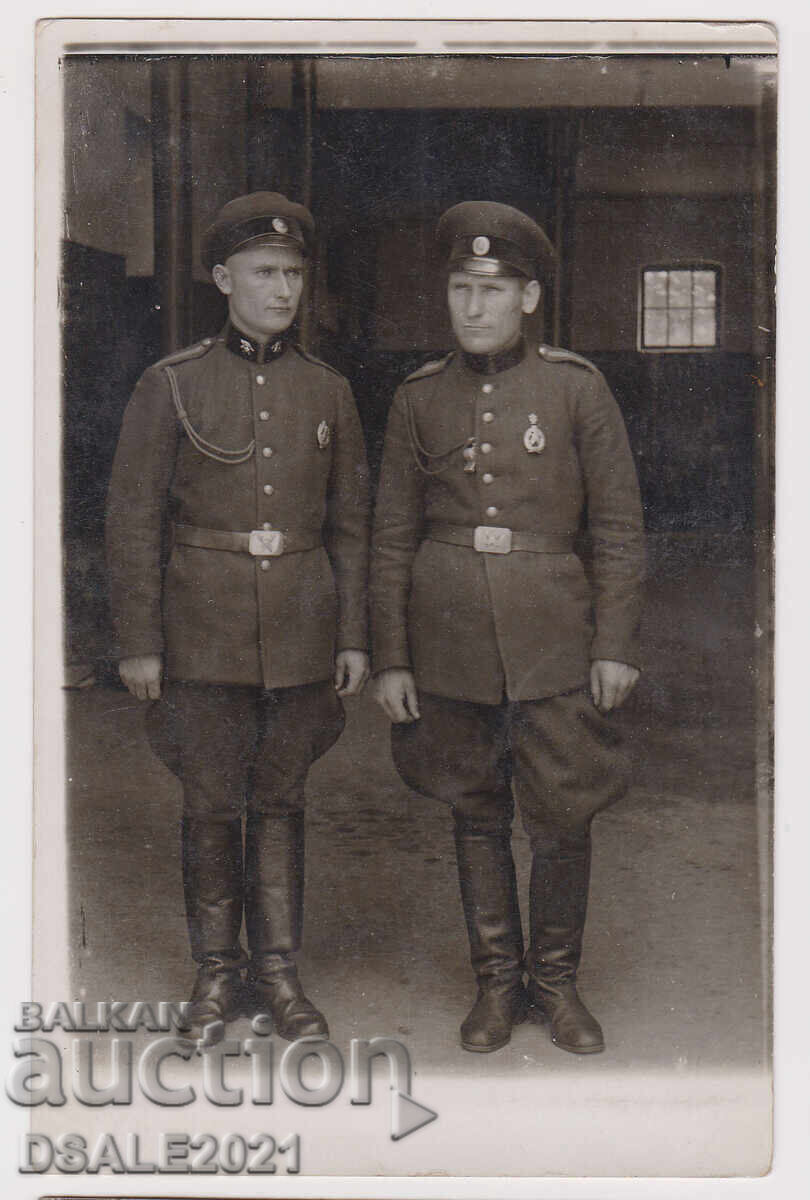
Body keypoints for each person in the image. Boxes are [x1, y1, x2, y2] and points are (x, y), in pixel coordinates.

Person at [371, 201, 645, 1055]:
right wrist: (391, 656)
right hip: (447, 639)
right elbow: (389, 535)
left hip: (555, 639)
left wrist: (613, 646)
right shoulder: (418, 396)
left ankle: (556, 985)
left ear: (528, 298)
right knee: (475, 812)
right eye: (460, 288)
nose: (474, 307)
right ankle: (496, 984)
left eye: (492, 290)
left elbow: (619, 529)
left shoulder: (575, 388)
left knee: (562, 814)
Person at [106, 191, 370, 1040]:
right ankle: (216, 976)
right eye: (264, 272)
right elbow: (133, 519)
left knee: (283, 797)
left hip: (300, 629)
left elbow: (352, 527)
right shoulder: (172, 384)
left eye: (294, 273)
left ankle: (281, 977)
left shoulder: (327, 390)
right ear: (224, 278)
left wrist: (356, 635)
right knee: (213, 799)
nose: (283, 289)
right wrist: (141, 643)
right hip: (200, 631)